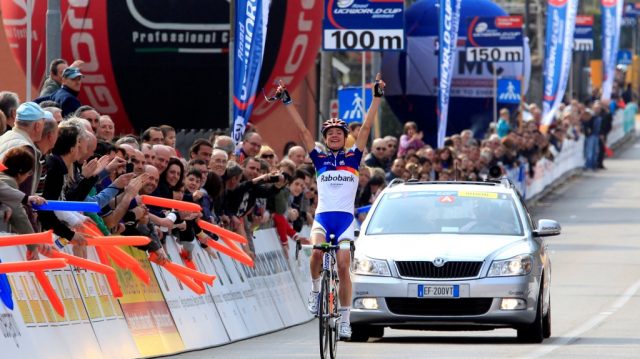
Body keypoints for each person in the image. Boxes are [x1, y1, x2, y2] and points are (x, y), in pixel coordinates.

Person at [280, 74, 385, 339]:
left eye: (339, 133)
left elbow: (366, 129)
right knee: (316, 253)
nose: (335, 136)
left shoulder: (354, 156)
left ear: (344, 138)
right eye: (331, 133)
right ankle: (316, 292)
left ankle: (346, 320)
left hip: (345, 220)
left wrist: (375, 99)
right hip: (323, 218)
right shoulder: (319, 159)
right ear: (326, 139)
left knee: (343, 264)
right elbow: (304, 132)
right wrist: (288, 101)